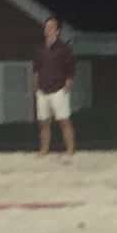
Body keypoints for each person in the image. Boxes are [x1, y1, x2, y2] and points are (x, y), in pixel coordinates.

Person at [33, 15, 77, 156]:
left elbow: (70, 69)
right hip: (42, 90)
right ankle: (44, 149)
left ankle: (70, 149)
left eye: (51, 27)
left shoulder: (64, 48)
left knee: (64, 121)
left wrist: (68, 84)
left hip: (59, 90)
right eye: (46, 27)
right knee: (43, 122)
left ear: (57, 31)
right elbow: (36, 69)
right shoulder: (40, 49)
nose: (48, 29)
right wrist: (35, 87)